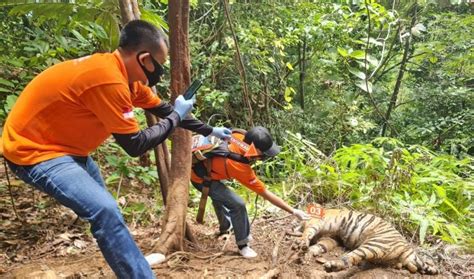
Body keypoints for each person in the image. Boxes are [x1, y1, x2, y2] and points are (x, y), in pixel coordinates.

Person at [2, 20, 231, 279]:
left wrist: (209, 131)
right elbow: (136, 144)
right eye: (159, 67)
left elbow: (165, 110)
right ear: (144, 59)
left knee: (109, 214)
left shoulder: (126, 78)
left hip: (69, 149)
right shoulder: (108, 80)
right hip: (35, 153)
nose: (159, 74)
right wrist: (176, 117)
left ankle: (134, 269)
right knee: (105, 210)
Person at [191, 126, 310, 258]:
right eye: (263, 153)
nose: (263, 156)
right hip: (200, 179)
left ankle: (226, 227)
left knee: (221, 197)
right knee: (238, 204)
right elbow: (265, 193)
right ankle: (243, 245)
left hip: (206, 170)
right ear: (256, 150)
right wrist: (293, 211)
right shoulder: (239, 165)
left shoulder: (238, 136)